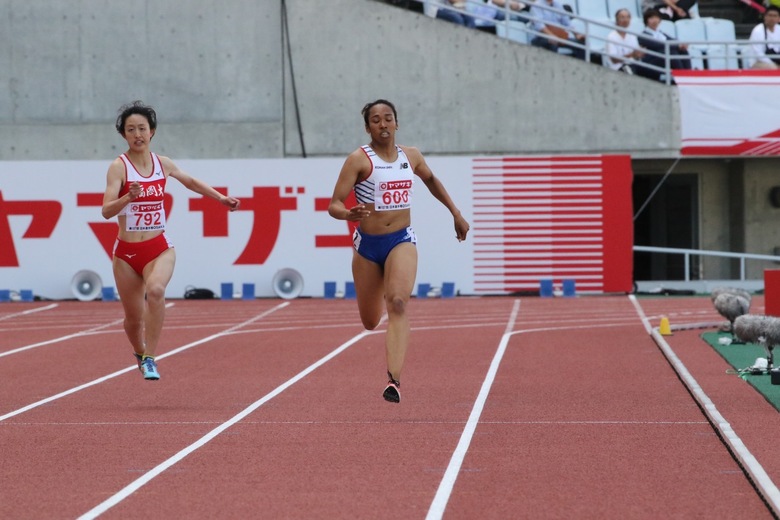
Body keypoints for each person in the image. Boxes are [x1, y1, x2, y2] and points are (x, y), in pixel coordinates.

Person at [328, 99, 470, 403]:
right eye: (376, 120)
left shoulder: (412, 156)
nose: (383, 124)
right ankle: (380, 292)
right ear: (367, 128)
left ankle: (394, 380)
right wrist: (347, 214)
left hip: (401, 240)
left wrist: (455, 213)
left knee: (398, 303)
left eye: (388, 119)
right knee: (369, 321)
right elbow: (334, 204)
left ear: (397, 123)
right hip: (367, 247)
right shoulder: (358, 160)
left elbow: (431, 180)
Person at [101, 101, 240, 380]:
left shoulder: (162, 164)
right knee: (132, 320)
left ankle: (151, 357)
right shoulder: (119, 167)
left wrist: (221, 198)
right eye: (131, 130)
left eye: (142, 128)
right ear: (123, 135)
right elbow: (106, 211)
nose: (137, 134)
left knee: (156, 291)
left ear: (152, 131)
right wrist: (128, 197)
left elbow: (190, 182)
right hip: (126, 254)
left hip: (158, 247)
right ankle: (140, 352)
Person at [636, 8, 691, 82]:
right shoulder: (643, 36)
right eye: (651, 18)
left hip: (663, 59)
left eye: (656, 17)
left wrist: (681, 45)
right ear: (646, 21)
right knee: (672, 53)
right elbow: (659, 45)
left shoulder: (661, 33)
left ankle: (688, 75)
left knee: (683, 51)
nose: (655, 20)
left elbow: (673, 41)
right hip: (652, 62)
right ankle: (682, 78)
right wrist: (677, 46)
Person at [605, 8, 644, 74]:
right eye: (622, 17)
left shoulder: (632, 36)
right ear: (617, 20)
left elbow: (636, 55)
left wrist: (639, 54)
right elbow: (614, 60)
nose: (625, 20)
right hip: (618, 67)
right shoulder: (611, 36)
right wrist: (631, 55)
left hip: (633, 65)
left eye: (628, 17)